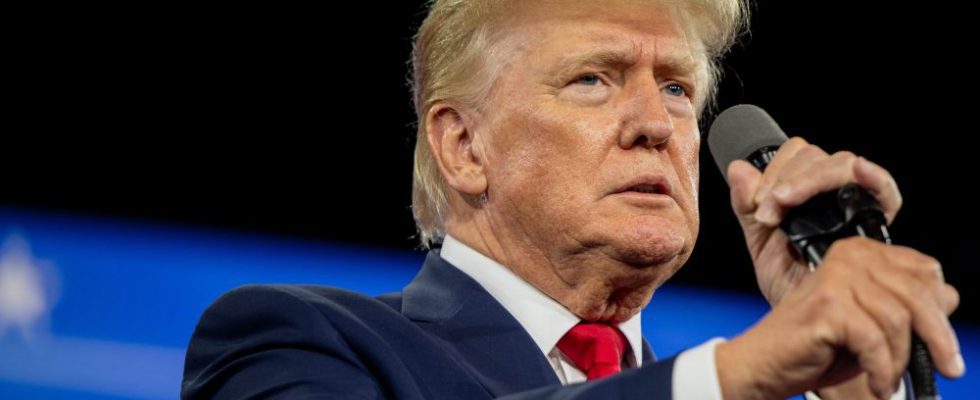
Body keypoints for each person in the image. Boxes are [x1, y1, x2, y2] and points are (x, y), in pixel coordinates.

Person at [182, 1, 964, 399]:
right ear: (463, 146)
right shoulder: (296, 342)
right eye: (593, 79)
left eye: (677, 88)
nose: (657, 124)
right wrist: (731, 376)